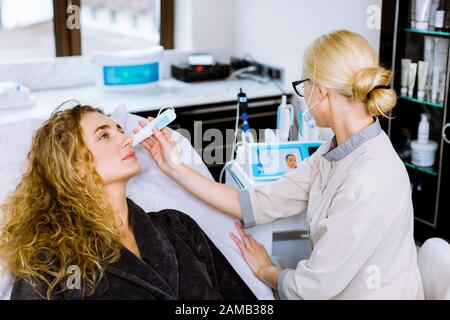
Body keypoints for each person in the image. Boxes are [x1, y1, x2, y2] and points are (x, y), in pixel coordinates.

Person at [137, 30, 424, 299]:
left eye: (303, 85)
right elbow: (260, 203)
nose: (304, 94)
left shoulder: (370, 178)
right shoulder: (334, 151)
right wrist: (174, 167)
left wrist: (267, 271)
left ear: (321, 91)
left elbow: (315, 287)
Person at [0, 105, 256, 300]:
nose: (125, 139)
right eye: (104, 136)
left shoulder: (178, 226)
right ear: (74, 167)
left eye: (120, 131)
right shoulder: (51, 264)